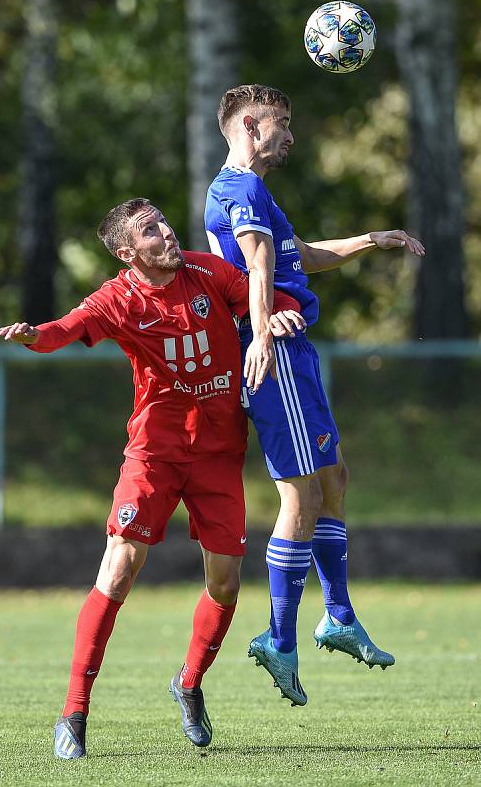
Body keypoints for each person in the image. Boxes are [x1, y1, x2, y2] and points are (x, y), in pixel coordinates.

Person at [0, 197, 303, 756]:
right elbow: (67, 328)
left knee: (226, 584)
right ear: (127, 252)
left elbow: (265, 295)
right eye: (149, 230)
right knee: (117, 570)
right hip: (154, 452)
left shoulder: (208, 272)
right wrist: (32, 335)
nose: (165, 232)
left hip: (218, 453)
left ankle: (188, 683)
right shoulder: (119, 298)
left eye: (162, 221)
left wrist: (279, 309)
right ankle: (73, 715)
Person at [204, 84, 425, 707]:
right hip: (275, 357)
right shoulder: (237, 190)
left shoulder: (258, 193)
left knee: (333, 481)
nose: (291, 135)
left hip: (295, 352)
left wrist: (369, 240)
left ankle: (338, 614)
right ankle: (281, 639)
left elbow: (295, 255)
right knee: (300, 497)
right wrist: (261, 329)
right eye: (283, 123)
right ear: (250, 124)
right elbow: (257, 265)